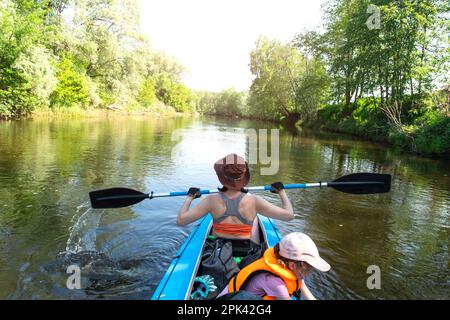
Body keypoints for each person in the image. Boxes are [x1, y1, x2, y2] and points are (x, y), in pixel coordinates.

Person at [176, 153, 295, 255]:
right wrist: (281, 192)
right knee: (254, 223)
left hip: (219, 251)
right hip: (246, 251)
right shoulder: (254, 201)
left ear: (221, 177)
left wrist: (190, 197)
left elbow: (181, 221)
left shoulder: (211, 201)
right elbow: (289, 215)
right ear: (244, 177)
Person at [217, 232, 331, 300]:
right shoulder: (275, 283)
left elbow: (303, 287)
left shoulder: (291, 268)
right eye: (308, 269)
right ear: (292, 265)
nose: (310, 273)